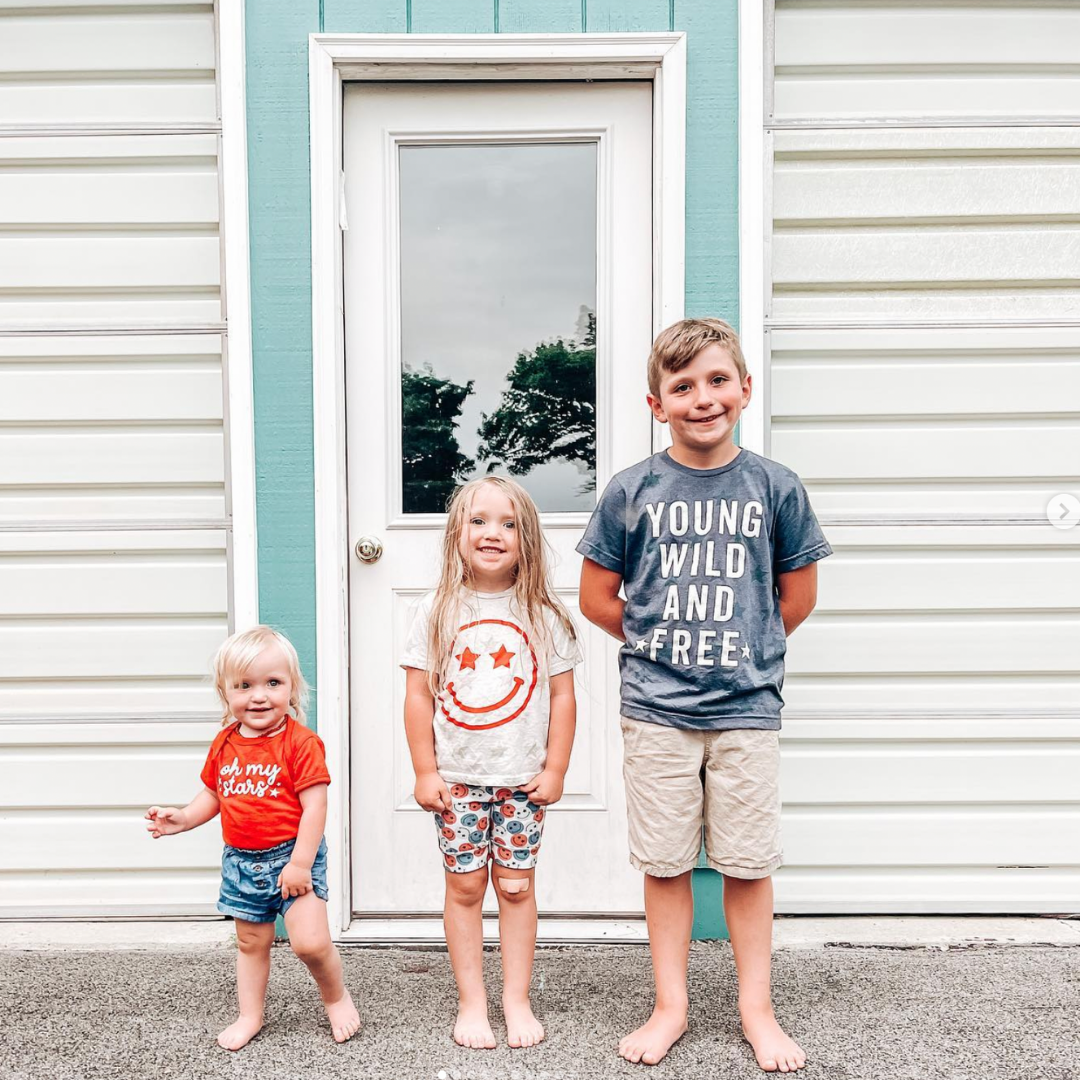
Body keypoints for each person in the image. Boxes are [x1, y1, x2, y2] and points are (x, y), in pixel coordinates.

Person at [577, 318, 831, 1073]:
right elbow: (596, 598)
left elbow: (796, 597)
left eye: (718, 380)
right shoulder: (632, 490)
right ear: (657, 404)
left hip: (746, 709)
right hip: (657, 709)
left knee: (748, 864)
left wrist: (747, 646)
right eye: (682, 386)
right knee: (665, 863)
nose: (703, 398)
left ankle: (757, 1010)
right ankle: (671, 1007)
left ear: (745, 389)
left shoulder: (775, 487)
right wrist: (657, 641)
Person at [401, 475, 580, 1051]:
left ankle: (515, 999)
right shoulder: (436, 610)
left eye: (508, 524)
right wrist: (425, 771)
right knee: (465, 887)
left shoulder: (544, 614)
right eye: (478, 521)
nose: (492, 533)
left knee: (517, 887)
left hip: (522, 782)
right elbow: (418, 696)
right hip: (458, 782)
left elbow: (562, 697)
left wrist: (556, 769)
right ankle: (472, 1001)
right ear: (456, 534)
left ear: (527, 539)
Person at [145, 625, 360, 1051]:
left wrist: (300, 863)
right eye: (244, 686)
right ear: (225, 693)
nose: (258, 696)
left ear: (292, 687)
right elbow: (214, 794)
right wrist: (183, 818)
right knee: (250, 942)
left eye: (272, 683)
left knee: (310, 943)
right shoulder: (225, 743)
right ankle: (250, 1015)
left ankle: (336, 998)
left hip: (292, 856)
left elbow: (315, 807)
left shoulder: (301, 744)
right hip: (241, 862)